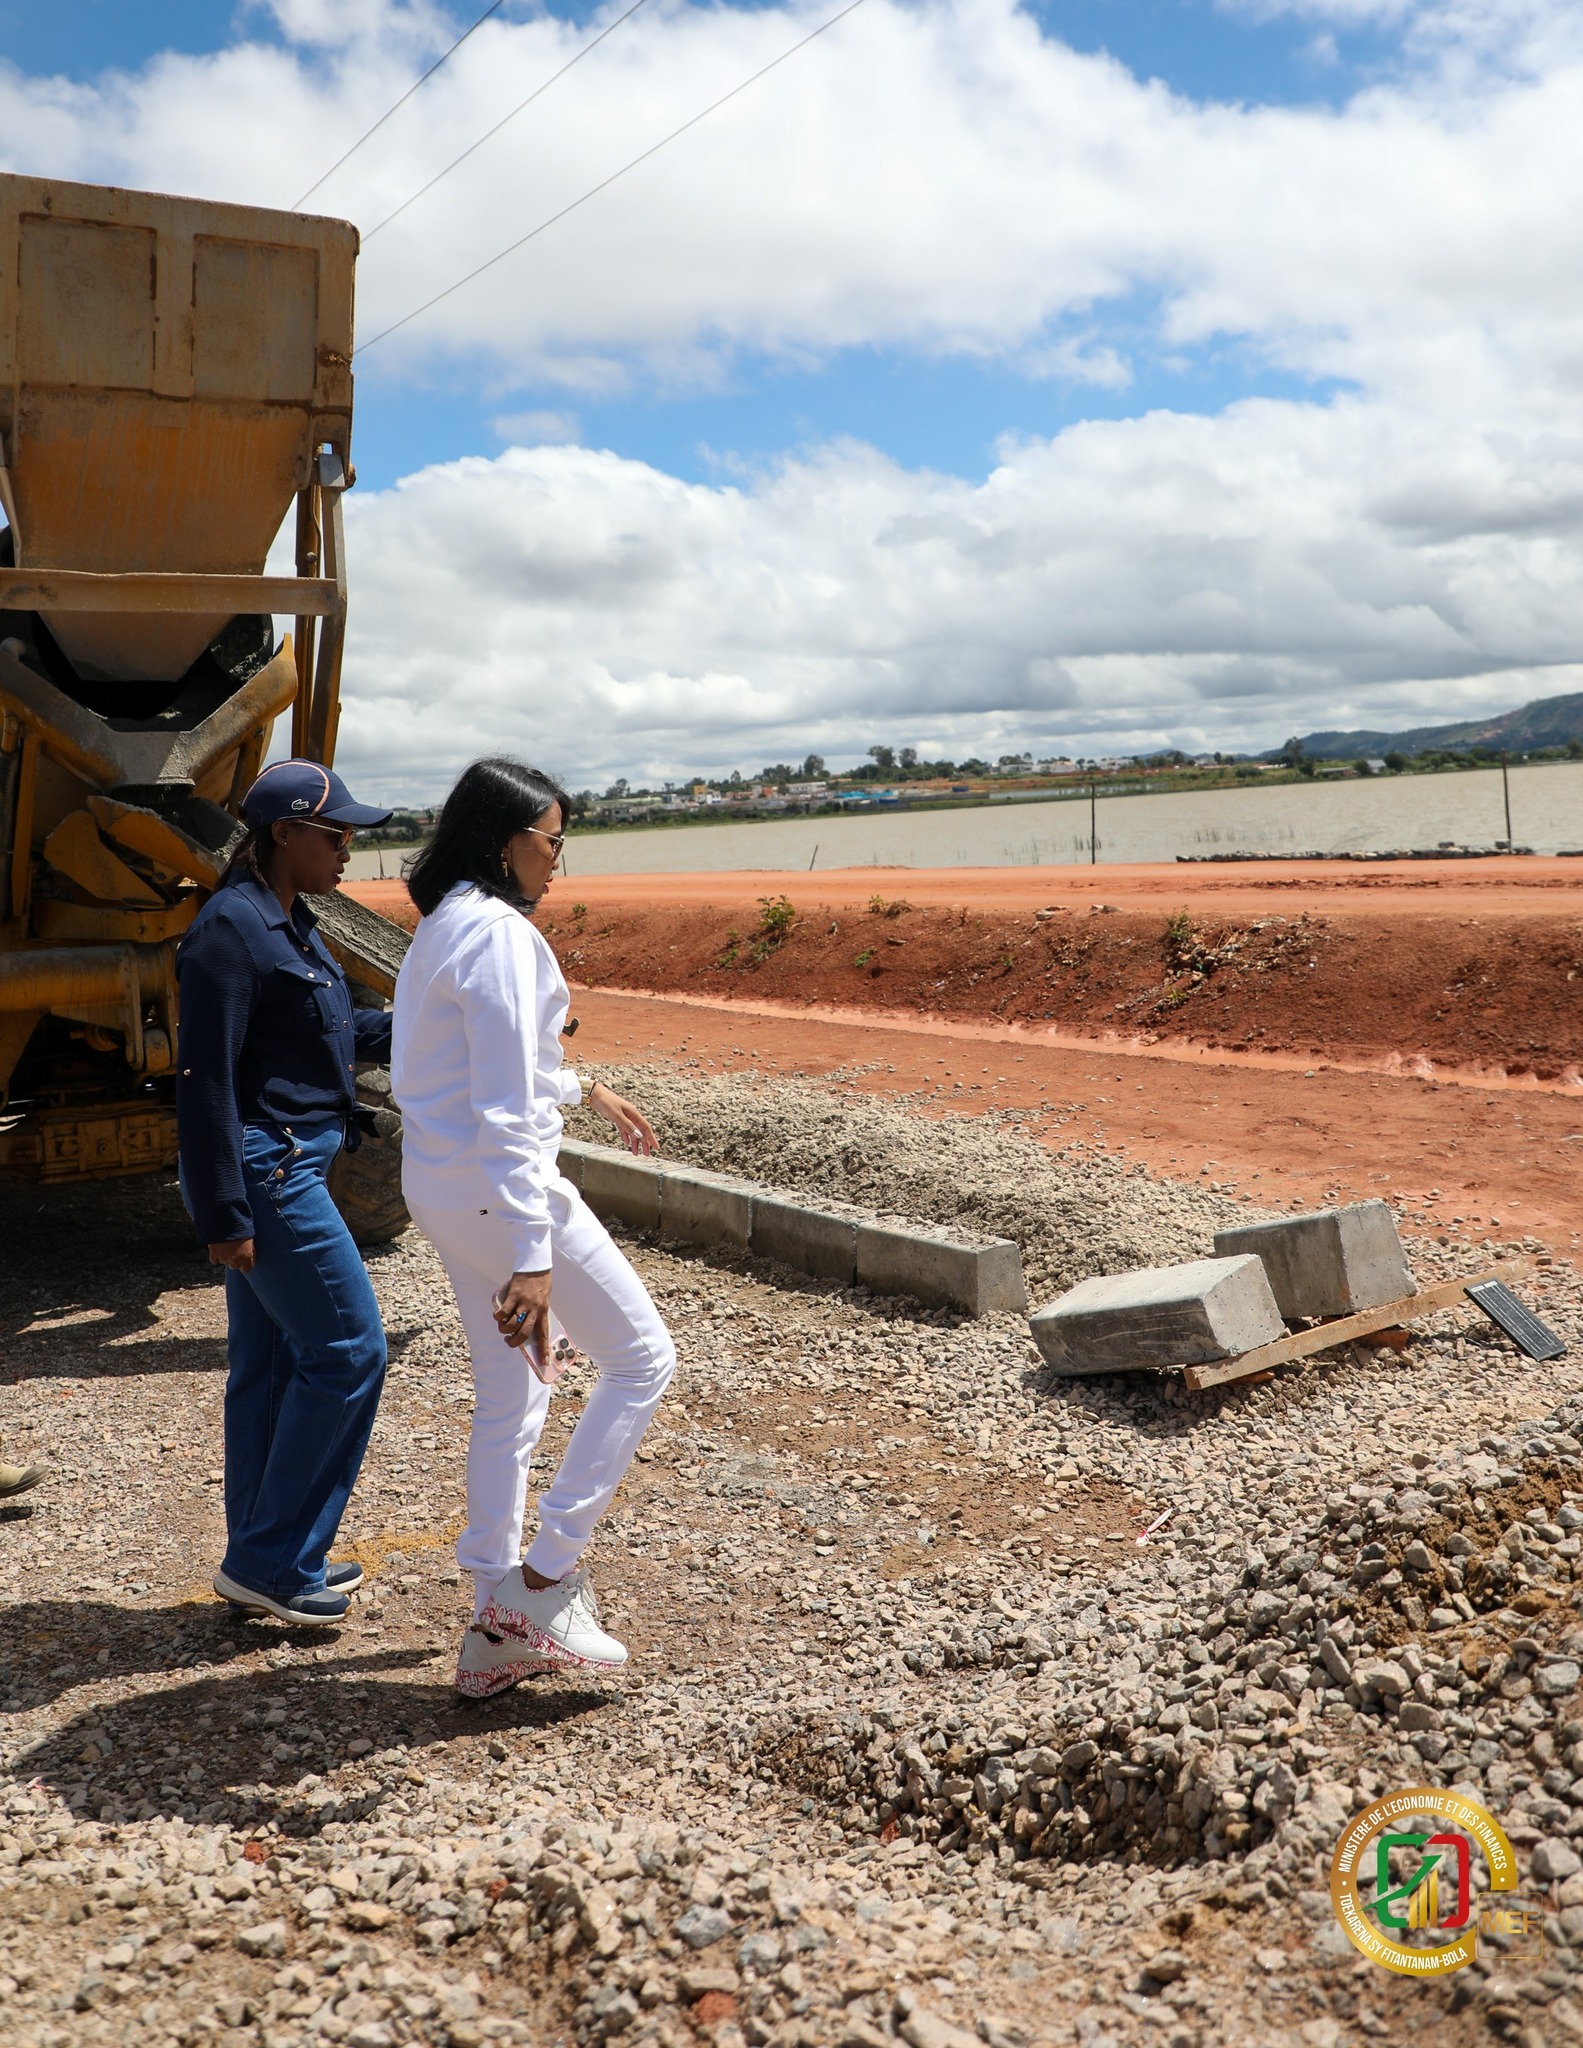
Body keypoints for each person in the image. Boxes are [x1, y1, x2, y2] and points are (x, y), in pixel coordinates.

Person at [391, 758, 675, 1698]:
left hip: (441, 1191)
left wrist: (581, 1083)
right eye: (553, 842)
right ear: (506, 839)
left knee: (515, 1394)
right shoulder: (503, 938)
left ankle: (490, 1621)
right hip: (498, 1198)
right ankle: (545, 1581)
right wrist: (532, 1256)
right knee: (641, 1360)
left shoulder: (443, 926)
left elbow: (470, 1075)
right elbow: (508, 1115)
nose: (559, 861)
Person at [176, 759, 394, 1626]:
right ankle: (275, 1559)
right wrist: (221, 1213)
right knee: (348, 1352)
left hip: (285, 1162)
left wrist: (445, 1012)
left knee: (269, 1370)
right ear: (283, 834)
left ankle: (260, 1558)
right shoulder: (229, 929)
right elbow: (205, 1084)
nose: (348, 849)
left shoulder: (288, 921)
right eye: (336, 835)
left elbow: (335, 1031)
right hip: (269, 1170)